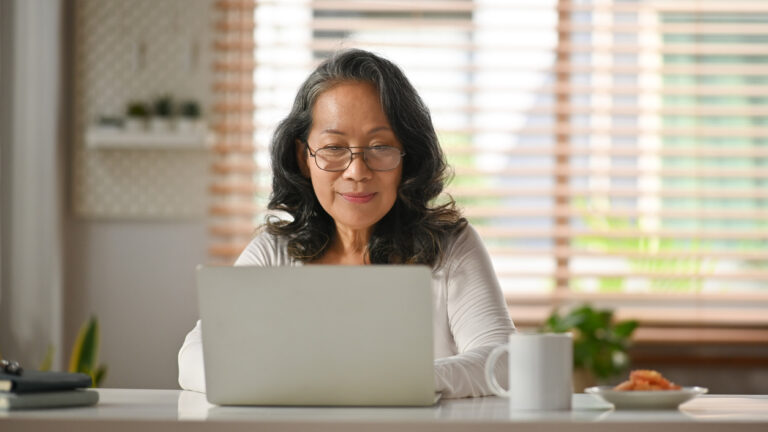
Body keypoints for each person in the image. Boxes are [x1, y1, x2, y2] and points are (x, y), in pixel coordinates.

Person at [178, 49, 514, 398]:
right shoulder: (273, 253)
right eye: (334, 148)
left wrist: (400, 379)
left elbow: (503, 363)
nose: (357, 171)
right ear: (303, 157)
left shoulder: (451, 248)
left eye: (380, 146)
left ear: (407, 156)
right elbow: (193, 358)